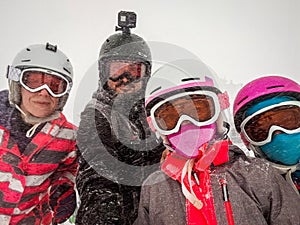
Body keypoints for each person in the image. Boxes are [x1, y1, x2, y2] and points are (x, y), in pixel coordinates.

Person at [134, 59, 300, 225]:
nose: (187, 123)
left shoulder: (257, 174)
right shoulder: (155, 187)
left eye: (199, 111)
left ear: (219, 113)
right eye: (170, 118)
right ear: (157, 127)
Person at [75, 11, 165, 225]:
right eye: (117, 70)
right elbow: (96, 175)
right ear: (103, 74)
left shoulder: (153, 112)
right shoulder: (97, 115)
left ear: (146, 74)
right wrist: (104, 215)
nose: (125, 79)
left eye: (133, 71)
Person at [0, 43, 78, 225]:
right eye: (34, 82)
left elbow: (68, 167)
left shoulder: (68, 137)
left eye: (55, 86)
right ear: (17, 84)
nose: (44, 92)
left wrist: (63, 187)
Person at [233, 75, 300, 195]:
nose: (278, 134)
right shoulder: (256, 192)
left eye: (288, 120)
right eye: (261, 130)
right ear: (248, 141)